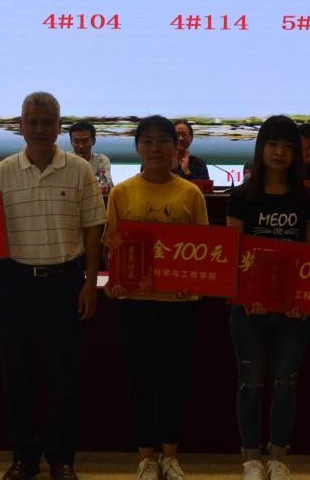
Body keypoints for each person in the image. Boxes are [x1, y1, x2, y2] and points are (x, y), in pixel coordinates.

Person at [0, 92, 104, 480]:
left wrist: (89, 282)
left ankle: (62, 459)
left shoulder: (79, 170)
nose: (39, 129)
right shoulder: (2, 172)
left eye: (47, 122)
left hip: (65, 284)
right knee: (17, 376)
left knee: (64, 376)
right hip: (16, 283)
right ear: (20, 126)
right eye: (32, 122)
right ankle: (24, 457)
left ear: (58, 126)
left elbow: (93, 229)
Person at [103, 115, 207, 480]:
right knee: (141, 382)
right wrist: (117, 281)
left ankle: (170, 456)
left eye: (163, 141)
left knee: (175, 381)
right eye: (147, 141)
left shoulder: (191, 194)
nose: (155, 148)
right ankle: (146, 457)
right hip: (136, 305)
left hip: (179, 305)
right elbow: (113, 249)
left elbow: (203, 250)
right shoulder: (122, 192)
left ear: (176, 147)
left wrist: (192, 282)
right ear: (137, 148)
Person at [225, 115, 310, 480]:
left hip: (293, 310)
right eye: (272, 144)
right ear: (261, 148)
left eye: (287, 146)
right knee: (250, 383)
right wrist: (248, 295)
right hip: (249, 309)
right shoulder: (240, 197)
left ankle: (279, 456)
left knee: (286, 383)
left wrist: (304, 300)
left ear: (297, 153)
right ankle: (251, 458)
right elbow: (235, 255)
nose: (279, 152)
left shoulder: (308, 199)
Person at [68, 121, 113, 188]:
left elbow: (107, 184)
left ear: (93, 141)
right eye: (76, 141)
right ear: (71, 142)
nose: (81, 146)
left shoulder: (101, 160)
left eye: (85, 141)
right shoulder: (65, 160)